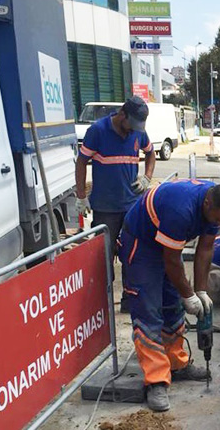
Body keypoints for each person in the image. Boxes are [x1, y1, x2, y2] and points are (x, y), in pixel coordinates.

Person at [118, 180, 220, 412]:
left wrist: (201, 291)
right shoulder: (181, 209)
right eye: (217, 220)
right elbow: (172, 260)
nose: (219, 224)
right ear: (207, 204)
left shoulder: (216, 207)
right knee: (149, 310)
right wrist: (188, 294)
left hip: (166, 245)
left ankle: (176, 364)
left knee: (172, 306)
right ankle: (156, 381)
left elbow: (205, 249)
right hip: (142, 244)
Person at [75, 96, 156, 312]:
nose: (133, 131)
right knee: (104, 254)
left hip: (132, 204)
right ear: (122, 115)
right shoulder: (98, 131)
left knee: (132, 252)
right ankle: (103, 301)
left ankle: (130, 299)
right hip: (105, 207)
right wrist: (81, 195)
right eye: (132, 125)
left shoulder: (138, 132)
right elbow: (82, 161)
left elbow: (150, 153)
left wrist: (147, 177)